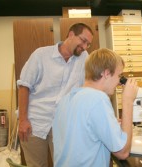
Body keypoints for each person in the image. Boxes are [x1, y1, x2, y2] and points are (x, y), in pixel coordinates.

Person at [17, 23, 93, 167]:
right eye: (83, 41)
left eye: (88, 44)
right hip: (34, 123)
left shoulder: (84, 58)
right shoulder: (41, 55)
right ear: (71, 35)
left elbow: (89, 87)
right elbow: (24, 86)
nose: (84, 47)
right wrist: (22, 120)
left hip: (62, 125)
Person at [52, 48, 138, 167]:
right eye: (119, 76)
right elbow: (122, 152)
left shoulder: (66, 99)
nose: (119, 82)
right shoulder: (98, 99)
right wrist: (128, 101)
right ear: (106, 73)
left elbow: (83, 132)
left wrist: (110, 125)